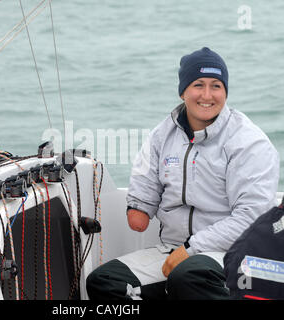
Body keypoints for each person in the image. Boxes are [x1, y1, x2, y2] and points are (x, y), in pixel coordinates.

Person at [86, 47, 280, 300]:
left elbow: (251, 218)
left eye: (216, 86)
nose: (207, 95)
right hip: (171, 249)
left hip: (233, 252)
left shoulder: (249, 141)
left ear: (226, 92)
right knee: (105, 282)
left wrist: (191, 249)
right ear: (183, 91)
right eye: (198, 85)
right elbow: (144, 180)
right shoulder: (162, 134)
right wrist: (140, 205)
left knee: (189, 275)